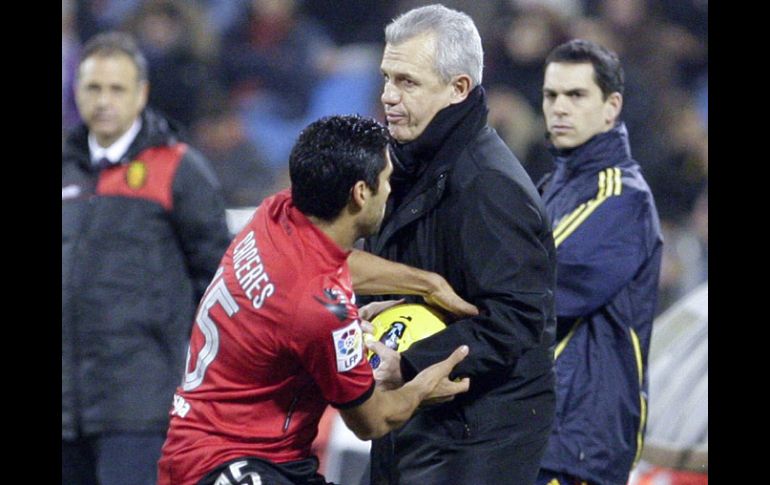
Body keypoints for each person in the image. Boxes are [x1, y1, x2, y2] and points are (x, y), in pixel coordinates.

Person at [157, 114, 475, 485]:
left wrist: (428, 284)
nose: (389, 190)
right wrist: (422, 387)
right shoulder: (321, 311)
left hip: (236, 449)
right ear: (360, 193)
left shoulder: (275, 214)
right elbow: (371, 420)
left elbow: (333, 267)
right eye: (386, 180)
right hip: (227, 464)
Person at [357, 4, 558, 484]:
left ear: (458, 88)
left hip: (475, 439)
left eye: (407, 82)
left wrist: (407, 362)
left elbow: (517, 318)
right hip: (417, 419)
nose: (388, 96)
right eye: (387, 78)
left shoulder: (488, 185)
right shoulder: (405, 163)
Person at [62, 31, 231, 485]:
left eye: (116, 88)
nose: (103, 101)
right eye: (93, 88)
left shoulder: (178, 168)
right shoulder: (65, 167)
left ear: (142, 93)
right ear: (76, 91)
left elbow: (217, 281)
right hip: (65, 404)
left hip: (139, 403)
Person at [535, 39, 663, 485]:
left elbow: (540, 287)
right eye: (551, 95)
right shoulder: (552, 185)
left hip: (578, 438)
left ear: (612, 107)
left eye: (576, 95)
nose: (559, 108)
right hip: (547, 431)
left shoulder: (621, 195)